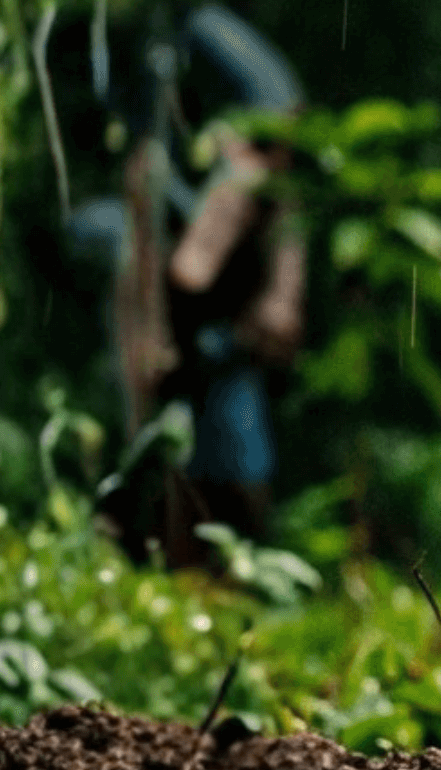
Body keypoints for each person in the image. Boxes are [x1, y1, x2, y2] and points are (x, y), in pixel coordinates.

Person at [78, 5, 307, 568]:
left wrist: (282, 287)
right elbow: (167, 247)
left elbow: (282, 130)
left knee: (228, 452)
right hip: (178, 304)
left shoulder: (256, 161)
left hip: (217, 326)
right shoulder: (133, 87)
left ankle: (226, 556)